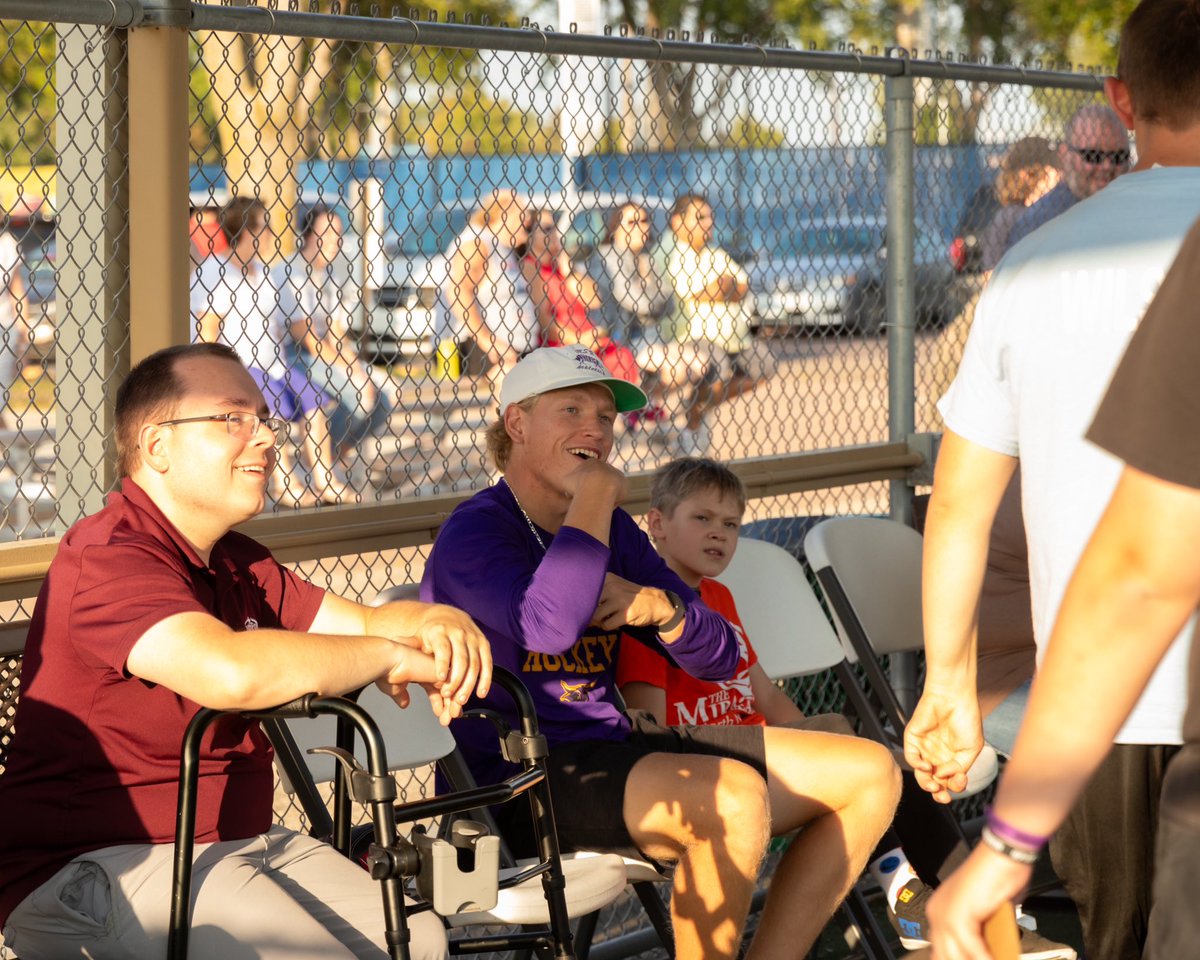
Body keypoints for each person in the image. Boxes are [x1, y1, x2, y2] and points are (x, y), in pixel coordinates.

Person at [0, 342, 491, 960]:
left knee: (418, 938)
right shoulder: (109, 555)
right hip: (97, 866)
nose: (263, 437)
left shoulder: (237, 559)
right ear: (158, 447)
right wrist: (388, 656)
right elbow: (230, 672)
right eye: (233, 418)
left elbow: (366, 622)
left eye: (263, 419)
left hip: (234, 844)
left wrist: (432, 618)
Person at [420, 345, 900, 960]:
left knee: (870, 772)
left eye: (605, 417)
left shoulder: (614, 532)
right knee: (730, 799)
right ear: (517, 423)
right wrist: (598, 492)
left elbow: (722, 655)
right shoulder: (478, 528)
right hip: (520, 781)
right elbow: (548, 628)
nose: (596, 429)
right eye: (571, 410)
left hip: (619, 748)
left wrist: (662, 611)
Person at [905, 2, 1200, 957]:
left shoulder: (1030, 269)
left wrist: (947, 680)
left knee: (1114, 939)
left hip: (1094, 698)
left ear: (1120, 102)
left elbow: (958, 502)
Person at [618, 457, 1072, 959]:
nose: (718, 534)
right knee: (851, 746)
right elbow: (653, 729)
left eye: (730, 524)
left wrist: (824, 746)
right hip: (711, 770)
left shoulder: (719, 595)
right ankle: (920, 901)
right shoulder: (648, 607)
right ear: (656, 523)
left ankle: (962, 905)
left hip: (761, 751)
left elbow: (765, 696)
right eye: (701, 519)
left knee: (877, 756)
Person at [191, 196, 345, 506]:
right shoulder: (214, 272)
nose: (272, 235)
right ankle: (283, 482)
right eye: (266, 227)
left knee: (314, 405)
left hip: (274, 363)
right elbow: (208, 331)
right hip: (241, 366)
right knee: (270, 413)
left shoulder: (262, 271)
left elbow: (274, 325)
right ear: (249, 231)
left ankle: (325, 481)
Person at [274, 204, 397, 479]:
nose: (333, 241)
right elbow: (305, 338)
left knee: (384, 399)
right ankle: (319, 462)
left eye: (338, 234)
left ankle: (335, 451)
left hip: (321, 351)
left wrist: (357, 368)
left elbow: (335, 332)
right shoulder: (290, 272)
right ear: (306, 236)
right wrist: (353, 376)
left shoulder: (330, 275)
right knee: (357, 396)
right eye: (325, 233)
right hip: (293, 354)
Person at [665, 194, 777, 455]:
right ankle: (694, 419)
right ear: (677, 222)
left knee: (765, 365)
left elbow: (741, 287)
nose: (708, 223)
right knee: (717, 370)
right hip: (695, 336)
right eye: (700, 217)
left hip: (736, 338)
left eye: (710, 217)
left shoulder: (714, 252)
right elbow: (696, 293)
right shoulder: (671, 254)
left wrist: (722, 289)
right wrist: (722, 288)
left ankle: (699, 407)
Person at [587, 202, 711, 433]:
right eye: (632, 222)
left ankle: (641, 405)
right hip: (618, 341)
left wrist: (647, 290)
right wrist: (648, 288)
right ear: (615, 229)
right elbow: (639, 303)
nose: (641, 227)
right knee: (676, 368)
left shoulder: (645, 257)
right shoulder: (608, 258)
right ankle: (637, 406)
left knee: (700, 364)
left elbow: (670, 303)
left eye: (644, 221)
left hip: (648, 337)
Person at [519, 209, 639, 384]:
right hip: (562, 346)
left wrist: (568, 270)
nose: (555, 233)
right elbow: (544, 322)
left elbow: (593, 300)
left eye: (554, 228)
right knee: (615, 363)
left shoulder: (560, 267)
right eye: (547, 228)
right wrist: (578, 341)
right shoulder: (530, 268)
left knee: (622, 356)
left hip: (589, 340)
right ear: (530, 235)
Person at [1000, 103, 1130, 254]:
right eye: (1093, 155)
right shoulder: (1040, 224)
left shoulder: (1134, 212)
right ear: (1064, 156)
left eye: (1118, 156)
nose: (1107, 166)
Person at [440, 189, 538, 376]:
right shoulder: (478, 243)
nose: (528, 221)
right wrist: (487, 340)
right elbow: (459, 291)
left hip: (515, 348)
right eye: (522, 213)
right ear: (503, 212)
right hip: (489, 354)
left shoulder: (504, 246)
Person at [979, 138, 1061, 270]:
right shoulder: (1010, 216)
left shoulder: (1053, 211)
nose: (1058, 175)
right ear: (1028, 174)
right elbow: (991, 275)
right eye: (1052, 170)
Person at [0, 220, 28, 424]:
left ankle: (14, 448)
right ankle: (15, 448)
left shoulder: (6, 244)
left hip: (3, 328)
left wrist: (23, 336)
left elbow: (17, 292)